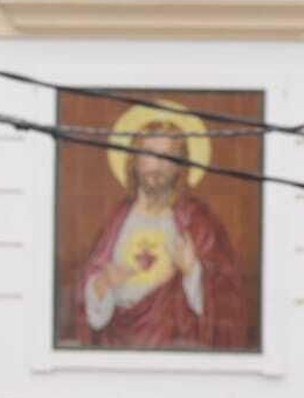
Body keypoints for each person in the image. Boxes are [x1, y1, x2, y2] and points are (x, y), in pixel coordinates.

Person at [76, 122, 245, 348]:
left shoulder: (197, 221)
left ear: (180, 166)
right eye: (148, 155)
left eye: (168, 157)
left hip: (177, 344)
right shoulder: (117, 219)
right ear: (134, 162)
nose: (156, 166)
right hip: (117, 345)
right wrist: (103, 283)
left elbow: (228, 299)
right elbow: (90, 291)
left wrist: (193, 271)